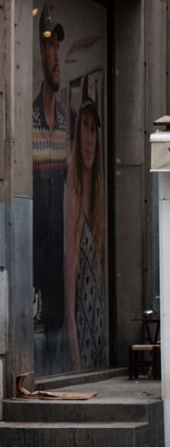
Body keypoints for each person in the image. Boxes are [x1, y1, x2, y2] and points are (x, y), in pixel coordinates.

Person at [32, 3, 69, 371]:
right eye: (49, 45)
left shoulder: (67, 121)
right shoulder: (27, 120)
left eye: (58, 46)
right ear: (40, 53)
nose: (56, 54)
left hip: (60, 287)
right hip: (36, 287)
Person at [64, 75, 108, 372]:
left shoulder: (100, 201)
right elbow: (68, 289)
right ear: (77, 132)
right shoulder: (73, 200)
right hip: (82, 327)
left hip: (100, 328)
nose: (90, 138)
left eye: (94, 129)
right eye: (85, 127)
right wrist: (76, 358)